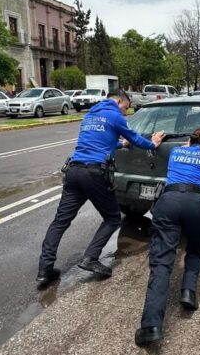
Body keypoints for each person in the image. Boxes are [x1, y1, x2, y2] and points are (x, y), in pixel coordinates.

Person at [36, 90, 165, 289]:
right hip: (94, 174)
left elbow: (100, 142)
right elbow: (136, 139)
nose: (126, 112)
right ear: (119, 101)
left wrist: (120, 144)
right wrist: (153, 144)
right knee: (113, 218)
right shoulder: (114, 115)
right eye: (126, 107)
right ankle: (90, 258)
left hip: (73, 171)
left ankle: (45, 271)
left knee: (60, 221)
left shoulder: (90, 116)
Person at [135, 128, 200, 346]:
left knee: (162, 262)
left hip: (169, 201)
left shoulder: (176, 152)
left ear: (188, 141)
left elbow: (187, 149)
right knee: (195, 248)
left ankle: (151, 327)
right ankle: (188, 292)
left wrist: (192, 145)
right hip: (197, 204)